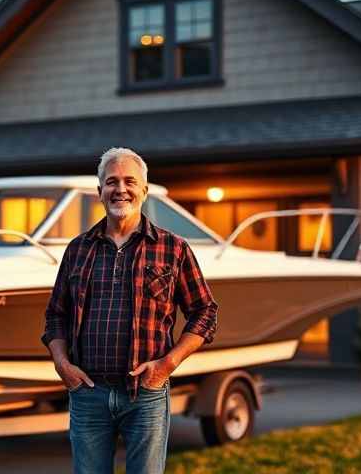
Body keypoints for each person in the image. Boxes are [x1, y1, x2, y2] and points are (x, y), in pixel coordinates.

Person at [41, 147, 218, 474]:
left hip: (146, 394)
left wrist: (168, 364)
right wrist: (62, 364)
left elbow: (205, 312)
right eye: (111, 182)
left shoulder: (173, 248)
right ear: (99, 192)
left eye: (129, 181)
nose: (120, 189)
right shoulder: (78, 249)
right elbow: (56, 315)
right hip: (88, 394)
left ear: (144, 191)